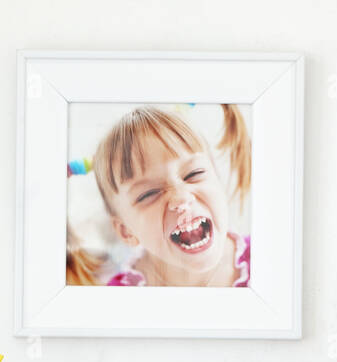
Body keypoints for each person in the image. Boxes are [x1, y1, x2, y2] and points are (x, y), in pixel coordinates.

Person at [67, 105, 251, 287]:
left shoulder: (268, 261)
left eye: (193, 174)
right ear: (126, 230)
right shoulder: (120, 298)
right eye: (149, 194)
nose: (180, 198)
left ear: (218, 180)